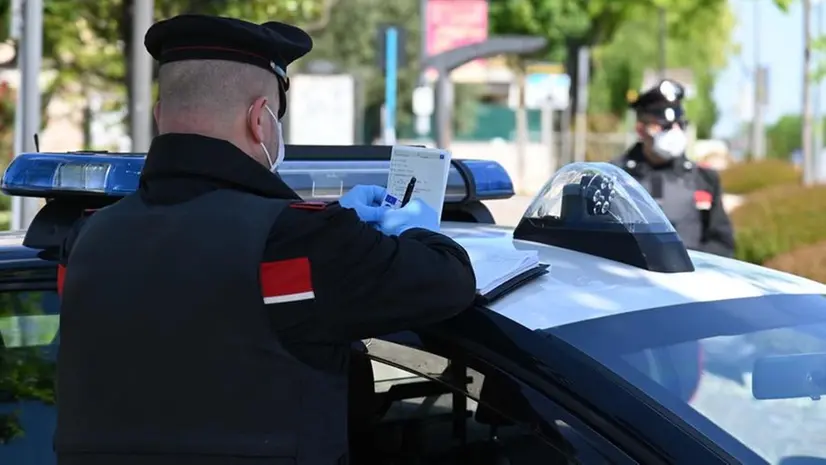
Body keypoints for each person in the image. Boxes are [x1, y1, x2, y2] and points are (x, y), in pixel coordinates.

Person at [53, 14, 477, 465]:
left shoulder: (86, 238)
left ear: (160, 117)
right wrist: (413, 227)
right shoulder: (297, 239)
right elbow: (448, 283)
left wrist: (334, 224)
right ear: (260, 119)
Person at [612, 79, 735, 257]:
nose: (674, 132)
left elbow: (722, 243)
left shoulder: (704, 179)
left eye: (680, 124)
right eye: (665, 126)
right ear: (641, 129)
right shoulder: (615, 177)